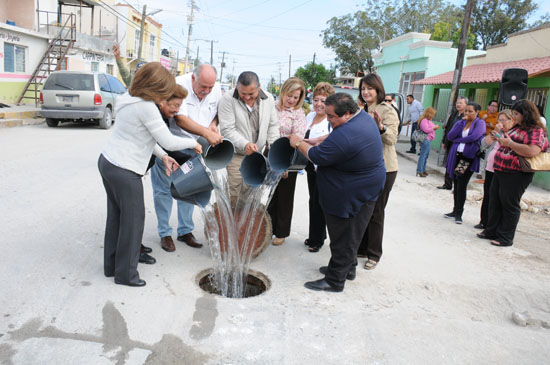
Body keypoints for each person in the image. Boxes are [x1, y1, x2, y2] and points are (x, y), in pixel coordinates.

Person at [98, 62, 202, 287]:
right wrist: (195, 143)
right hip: (125, 170)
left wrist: (162, 156)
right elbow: (167, 139)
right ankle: (126, 275)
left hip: (108, 162)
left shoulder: (127, 98)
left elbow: (140, 134)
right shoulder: (146, 106)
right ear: (154, 86)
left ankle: (112, 265)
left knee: (117, 218)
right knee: (133, 222)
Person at [288, 93, 386, 292]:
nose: (329, 120)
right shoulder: (362, 118)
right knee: (352, 231)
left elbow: (317, 156)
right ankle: (347, 268)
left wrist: (299, 142)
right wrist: (320, 138)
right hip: (366, 187)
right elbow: (335, 138)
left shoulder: (347, 134)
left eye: (332, 117)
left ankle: (335, 280)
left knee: (343, 234)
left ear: (347, 113)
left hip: (352, 191)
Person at [152, 64, 223, 253]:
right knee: (163, 190)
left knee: (189, 189)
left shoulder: (215, 89)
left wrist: (214, 125)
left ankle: (185, 231)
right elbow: (180, 119)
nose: (206, 91)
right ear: (193, 78)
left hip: (196, 148)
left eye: (210, 87)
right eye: (203, 87)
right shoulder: (178, 85)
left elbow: (217, 113)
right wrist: (206, 133)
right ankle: (165, 233)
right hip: (170, 146)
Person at [478, 100, 548, 247]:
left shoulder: (535, 130)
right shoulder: (518, 127)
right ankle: (491, 230)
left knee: (509, 204)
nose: (514, 116)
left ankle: (505, 237)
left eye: (516, 114)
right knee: (495, 201)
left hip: (517, 172)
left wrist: (509, 144)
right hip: (501, 169)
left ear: (526, 114)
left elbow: (532, 151)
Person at [113, 43, 155, 264]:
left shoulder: (141, 95)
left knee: (131, 209)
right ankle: (132, 250)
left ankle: (134, 246)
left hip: (135, 159)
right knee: (132, 210)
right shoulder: (134, 96)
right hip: (127, 161)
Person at [356, 74, 399, 271]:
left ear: (378, 90)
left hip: (385, 168)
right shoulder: (363, 109)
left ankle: (374, 254)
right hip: (367, 168)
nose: (365, 92)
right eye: (363, 88)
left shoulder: (387, 110)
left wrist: (381, 127)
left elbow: (391, 139)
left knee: (376, 212)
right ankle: (362, 248)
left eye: (369, 89)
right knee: (364, 209)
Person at [218, 71, 279, 198]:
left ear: (259, 87)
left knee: (252, 196)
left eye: (251, 94)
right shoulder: (227, 99)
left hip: (258, 156)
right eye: (243, 93)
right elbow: (227, 130)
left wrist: (274, 150)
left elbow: (272, 126)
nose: (247, 97)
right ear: (237, 87)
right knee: (233, 194)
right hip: (236, 155)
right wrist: (245, 144)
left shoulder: (268, 99)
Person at [267, 77, 307, 246]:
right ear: (283, 92)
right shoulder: (271, 107)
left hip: (287, 157)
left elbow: (297, 137)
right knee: (268, 195)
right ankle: (266, 228)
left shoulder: (298, 113)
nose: (291, 100)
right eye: (289, 95)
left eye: (296, 97)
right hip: (268, 154)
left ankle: (281, 231)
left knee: (284, 195)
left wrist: (284, 164)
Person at [303, 82, 334, 253]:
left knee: (319, 203)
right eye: (316, 100)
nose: (319, 104)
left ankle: (317, 239)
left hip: (322, 166)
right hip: (310, 165)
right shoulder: (309, 117)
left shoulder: (330, 120)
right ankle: (315, 235)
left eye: (323, 101)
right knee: (312, 200)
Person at [443, 102, 486, 224]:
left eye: (470, 111)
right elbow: (451, 136)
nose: (467, 113)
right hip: (456, 155)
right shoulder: (461, 122)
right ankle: (454, 210)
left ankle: (459, 213)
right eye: (466, 111)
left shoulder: (480, 123)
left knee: (461, 184)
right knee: (456, 182)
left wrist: (459, 140)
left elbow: (474, 137)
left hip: (467, 157)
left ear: (477, 112)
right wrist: (461, 123)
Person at [475, 110, 514, 230]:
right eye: (499, 120)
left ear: (511, 120)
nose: (501, 123)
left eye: (503, 120)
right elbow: (483, 144)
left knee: (497, 197)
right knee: (487, 195)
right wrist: (495, 132)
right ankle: (484, 221)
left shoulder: (513, 134)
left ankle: (494, 224)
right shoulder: (497, 132)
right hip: (490, 168)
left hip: (503, 169)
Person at [438, 96, 468, 190]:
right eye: (457, 103)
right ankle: (447, 184)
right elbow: (447, 128)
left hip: (462, 145)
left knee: (460, 165)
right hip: (450, 143)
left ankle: (458, 186)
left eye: (461, 103)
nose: (458, 105)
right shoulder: (454, 114)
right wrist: (444, 141)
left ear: (466, 105)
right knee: (449, 163)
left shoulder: (467, 117)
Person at [416, 107, 439, 177]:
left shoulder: (428, 120)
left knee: (426, 156)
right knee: (423, 155)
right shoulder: (424, 120)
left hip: (429, 140)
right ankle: (420, 170)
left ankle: (423, 169)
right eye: (433, 114)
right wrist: (434, 128)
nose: (433, 116)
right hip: (425, 139)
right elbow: (426, 130)